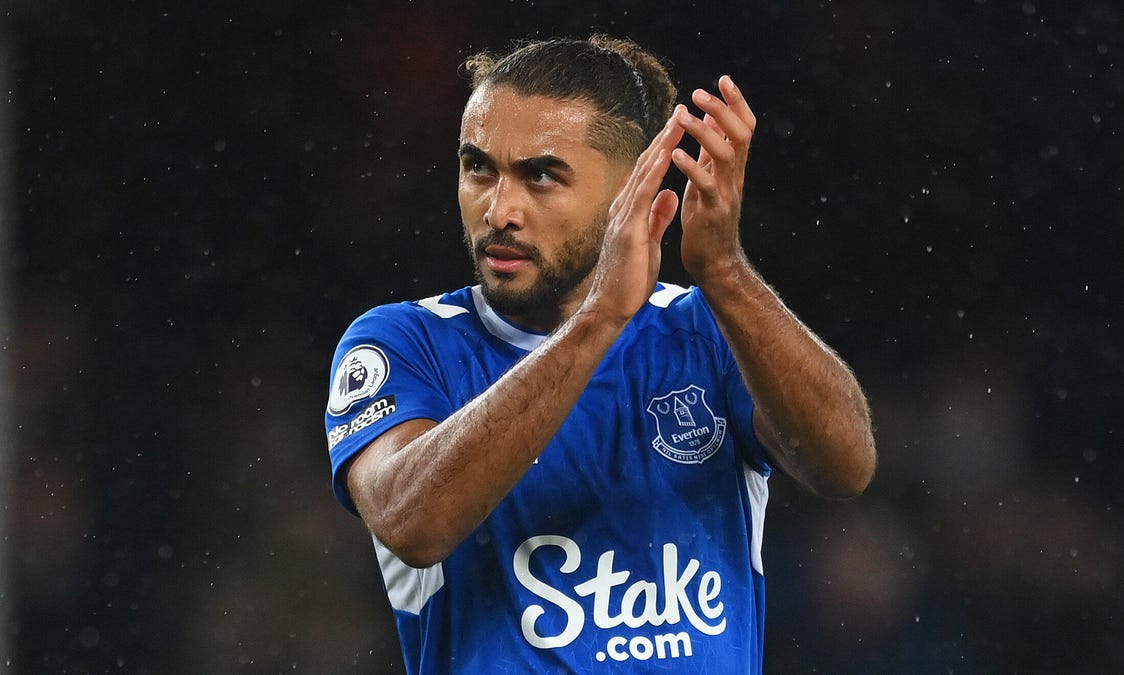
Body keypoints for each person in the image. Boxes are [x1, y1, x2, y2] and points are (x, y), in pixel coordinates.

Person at [324, 34, 876, 673]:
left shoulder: (710, 331)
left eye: (541, 176)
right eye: (479, 168)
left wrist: (723, 271)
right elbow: (412, 521)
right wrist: (599, 319)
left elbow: (845, 467)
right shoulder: (404, 342)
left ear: (637, 191)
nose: (500, 210)